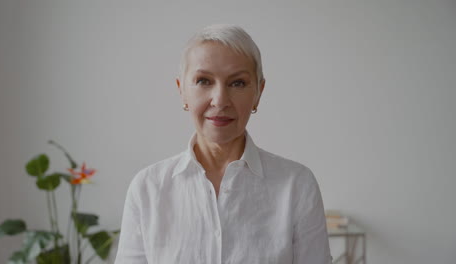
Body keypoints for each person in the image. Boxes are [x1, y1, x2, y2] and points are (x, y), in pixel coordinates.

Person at [115, 24, 332, 264]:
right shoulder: (147, 189)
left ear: (258, 92)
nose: (220, 100)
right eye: (203, 81)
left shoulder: (297, 186)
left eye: (237, 83)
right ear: (182, 91)